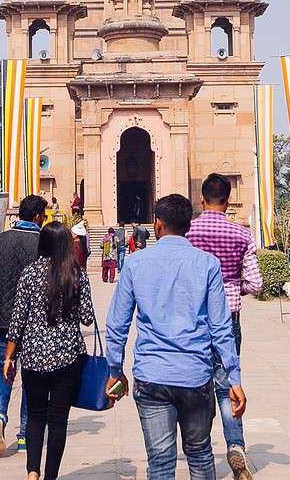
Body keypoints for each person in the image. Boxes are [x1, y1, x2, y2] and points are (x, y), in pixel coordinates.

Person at [105, 194, 247, 480]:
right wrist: (234, 378)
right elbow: (221, 327)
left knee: (159, 463)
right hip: (195, 377)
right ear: (189, 225)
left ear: (157, 224)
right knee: (200, 455)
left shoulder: (135, 263)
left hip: (152, 376)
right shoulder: (207, 264)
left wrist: (114, 370)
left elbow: (117, 324)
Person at [4, 222, 95, 480]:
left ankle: (32, 471)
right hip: (67, 357)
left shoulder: (30, 273)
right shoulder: (76, 274)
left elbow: (18, 319)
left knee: (35, 416)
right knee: (58, 421)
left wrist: (9, 356)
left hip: (33, 356)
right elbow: (87, 318)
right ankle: (50, 476)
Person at [186, 173, 262, 480]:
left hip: (196, 318)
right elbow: (256, 283)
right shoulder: (241, 234)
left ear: (201, 199)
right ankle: (235, 445)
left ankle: (201, 447)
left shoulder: (188, 232)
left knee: (198, 385)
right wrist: (233, 287)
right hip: (230, 316)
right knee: (228, 382)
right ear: (228, 201)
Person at [0, 194, 46, 456]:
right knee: (31, 376)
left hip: (5, 320)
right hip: (34, 322)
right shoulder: (43, 243)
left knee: (3, 371)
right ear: (38, 217)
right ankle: (25, 435)